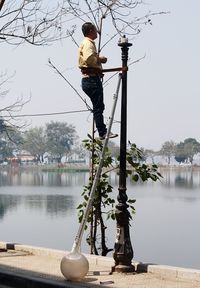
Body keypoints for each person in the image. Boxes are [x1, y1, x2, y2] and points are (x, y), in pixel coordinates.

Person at [78, 22, 118, 140]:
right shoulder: (88, 43)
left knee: (98, 106)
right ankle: (102, 132)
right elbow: (89, 58)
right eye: (95, 30)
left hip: (88, 79)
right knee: (98, 107)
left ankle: (102, 131)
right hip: (91, 80)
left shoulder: (85, 43)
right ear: (91, 30)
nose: (97, 32)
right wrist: (100, 59)